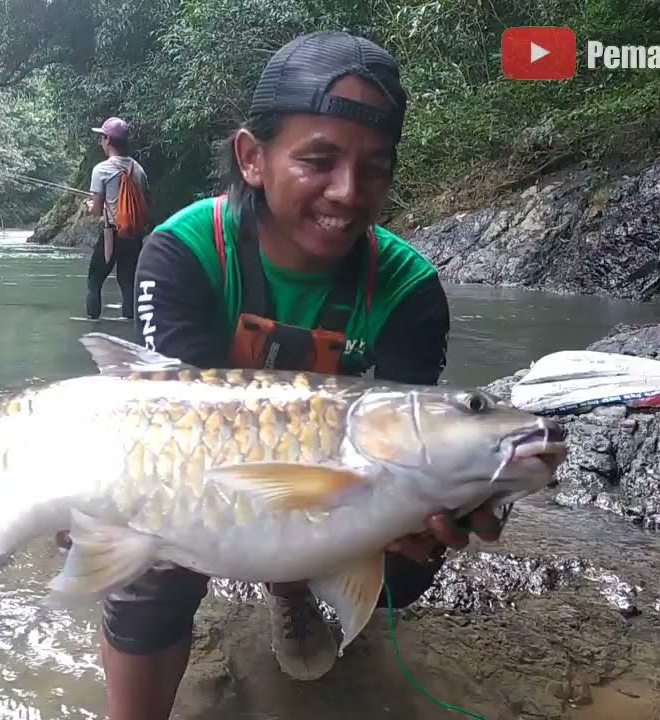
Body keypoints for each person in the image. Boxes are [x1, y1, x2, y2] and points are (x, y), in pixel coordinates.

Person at [106, 31, 509, 720]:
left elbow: (415, 433)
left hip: (328, 469)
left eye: (375, 168)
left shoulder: (409, 288)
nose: (349, 194)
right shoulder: (184, 252)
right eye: (318, 160)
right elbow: (161, 426)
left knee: (405, 564)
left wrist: (459, 496)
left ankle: (292, 590)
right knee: (149, 568)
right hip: (200, 465)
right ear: (252, 158)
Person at [85, 116, 150, 320]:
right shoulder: (138, 170)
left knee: (94, 281)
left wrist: (89, 206)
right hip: (134, 235)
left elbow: (96, 211)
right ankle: (129, 329)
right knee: (129, 285)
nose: (100, 142)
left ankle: (92, 327)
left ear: (108, 140)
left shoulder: (101, 170)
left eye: (101, 138)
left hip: (111, 235)